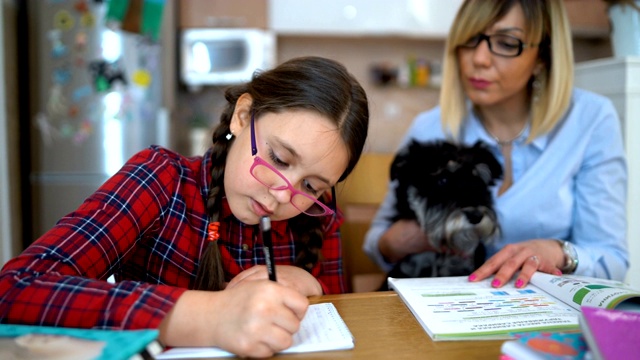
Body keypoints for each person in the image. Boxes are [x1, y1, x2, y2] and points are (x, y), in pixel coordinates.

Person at [0, 56, 369, 358]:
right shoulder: (162, 180)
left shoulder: (316, 217)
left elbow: (336, 333)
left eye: (311, 186)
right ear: (243, 117)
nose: (286, 196)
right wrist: (205, 317)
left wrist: (311, 286)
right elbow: (14, 290)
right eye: (279, 158)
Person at [364, 0, 628, 289]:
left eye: (506, 43)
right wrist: (399, 241)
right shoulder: (430, 129)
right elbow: (377, 243)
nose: (479, 58)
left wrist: (558, 252)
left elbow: (612, 260)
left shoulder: (589, 120)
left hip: (545, 312)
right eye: (470, 39)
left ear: (543, 56)